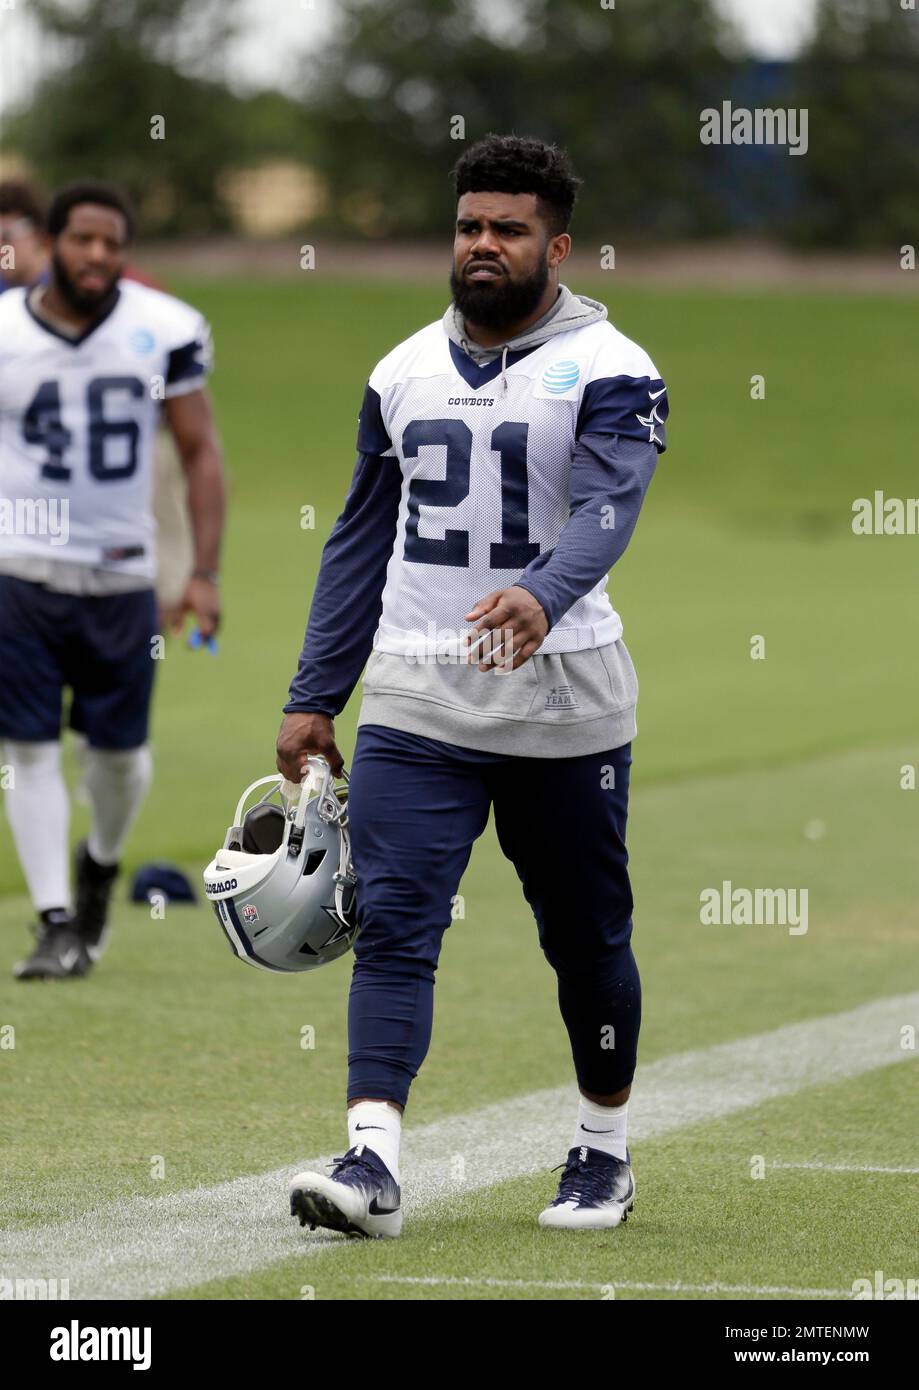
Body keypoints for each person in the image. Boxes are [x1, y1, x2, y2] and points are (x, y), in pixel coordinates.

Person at [277, 134, 668, 1236]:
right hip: (417, 693)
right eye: (468, 227)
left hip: (565, 697)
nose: (483, 246)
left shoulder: (612, 366)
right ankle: (370, 1163)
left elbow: (606, 507)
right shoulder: (399, 369)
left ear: (557, 244)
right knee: (394, 920)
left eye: (507, 229)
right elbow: (358, 544)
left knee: (585, 936)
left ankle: (602, 1150)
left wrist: (540, 594)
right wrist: (315, 694)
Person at [0, 181, 226, 980]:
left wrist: (200, 571)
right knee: (25, 749)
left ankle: (100, 865)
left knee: (119, 760)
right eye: (82, 239)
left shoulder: (161, 329)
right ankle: (56, 920)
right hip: (19, 572)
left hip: (121, 575)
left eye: (112, 243)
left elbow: (199, 450)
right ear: (51, 243)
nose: (97, 255)